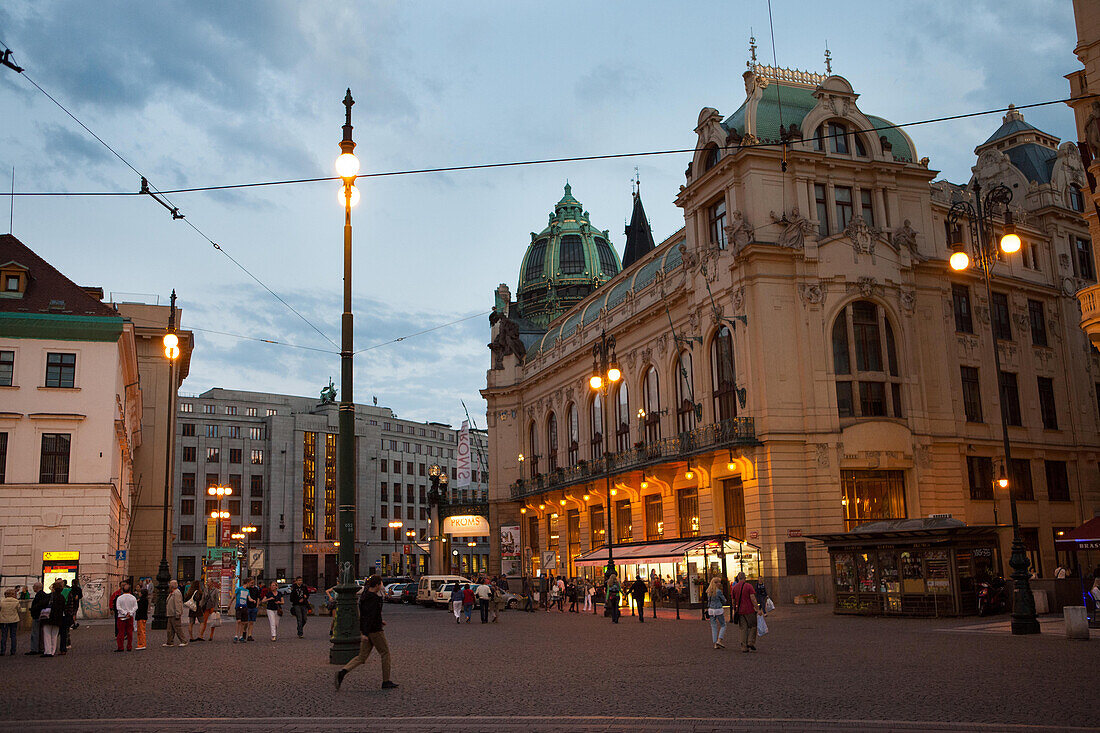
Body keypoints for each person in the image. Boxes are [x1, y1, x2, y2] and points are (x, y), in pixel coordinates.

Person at [335, 575, 397, 691]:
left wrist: (368, 629)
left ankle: (343, 672)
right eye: (381, 584)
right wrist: (365, 633)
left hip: (369, 630)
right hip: (375, 631)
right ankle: (386, 681)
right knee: (385, 653)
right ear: (377, 585)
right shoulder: (373, 598)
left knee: (361, 657)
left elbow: (365, 615)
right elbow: (370, 616)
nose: (382, 586)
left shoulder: (364, 596)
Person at [731, 572, 761, 653]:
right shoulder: (749, 586)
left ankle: (744, 647)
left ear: (737, 578)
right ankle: (750, 642)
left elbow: (733, 601)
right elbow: (753, 598)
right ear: (745, 578)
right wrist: (757, 609)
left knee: (743, 628)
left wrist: (735, 610)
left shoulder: (734, 587)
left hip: (740, 611)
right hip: (749, 610)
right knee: (753, 626)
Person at [40, 580, 67, 657]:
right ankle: (53, 650)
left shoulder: (49, 596)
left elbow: (41, 604)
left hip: (48, 617)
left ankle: (47, 651)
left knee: (47, 635)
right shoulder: (62, 597)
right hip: (58, 618)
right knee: (54, 635)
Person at [705, 576, 727, 649]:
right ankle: (719, 640)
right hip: (718, 609)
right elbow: (724, 600)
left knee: (713, 627)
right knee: (723, 624)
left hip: (711, 610)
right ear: (716, 583)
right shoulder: (718, 591)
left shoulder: (709, 591)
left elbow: (708, 601)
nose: (720, 584)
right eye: (719, 582)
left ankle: (715, 643)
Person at [114, 584, 137, 652]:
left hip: (121, 617)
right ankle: (129, 646)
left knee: (120, 632)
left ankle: (120, 647)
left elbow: (118, 607)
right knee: (129, 632)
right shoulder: (133, 597)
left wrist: (124, 613)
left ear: (122, 590)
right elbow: (135, 607)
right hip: (130, 617)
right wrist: (130, 613)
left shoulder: (120, 598)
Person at [164, 579, 186, 647]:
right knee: (170, 629)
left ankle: (183, 640)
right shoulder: (172, 593)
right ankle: (169, 642)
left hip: (174, 613)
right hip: (170, 613)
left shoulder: (176, 593)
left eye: (170, 584)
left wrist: (178, 613)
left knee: (177, 628)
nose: (169, 586)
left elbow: (178, 603)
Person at [26, 582, 46, 655]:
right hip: (42, 616)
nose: (33, 588)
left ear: (36, 587)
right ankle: (41, 648)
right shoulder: (44, 594)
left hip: (37, 616)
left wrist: (32, 609)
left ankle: (34, 649)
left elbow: (38, 605)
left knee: (35, 633)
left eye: (34, 586)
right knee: (41, 633)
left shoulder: (38, 595)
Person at [0, 588, 19, 655]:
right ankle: (13, 651)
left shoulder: (2, 602)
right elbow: (19, 610)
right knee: (13, 635)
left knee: (4, 636)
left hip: (4, 620)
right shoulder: (16, 602)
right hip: (14, 620)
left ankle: (2, 651)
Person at [233, 578, 252, 643]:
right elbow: (234, 596)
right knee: (238, 621)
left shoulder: (247, 591)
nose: (251, 585)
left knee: (243, 622)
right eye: (250, 583)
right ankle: (236, 635)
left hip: (244, 607)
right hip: (239, 606)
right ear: (247, 582)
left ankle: (241, 636)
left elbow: (249, 598)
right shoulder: (239, 589)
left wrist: (253, 600)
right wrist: (229, 604)